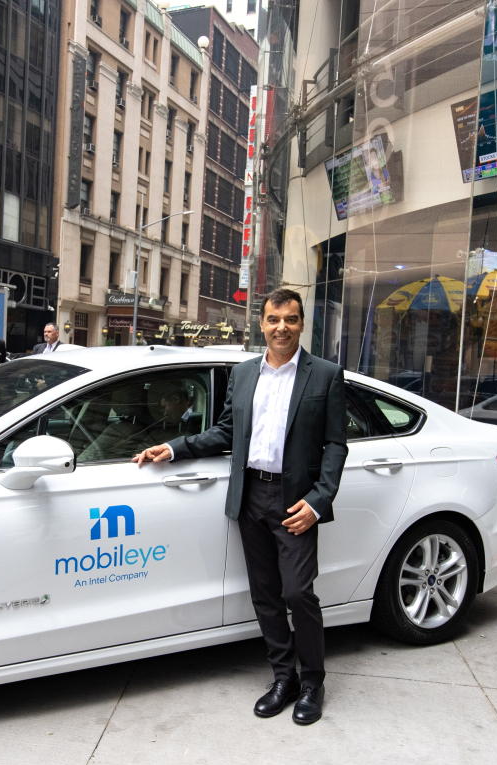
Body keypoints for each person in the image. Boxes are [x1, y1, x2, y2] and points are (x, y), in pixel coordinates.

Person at [134, 288, 347, 726]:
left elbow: (335, 446)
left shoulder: (324, 376)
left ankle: (312, 682)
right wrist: (172, 449)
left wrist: (318, 500)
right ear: (262, 324)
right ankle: (283, 677)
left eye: (290, 319)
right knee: (265, 596)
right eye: (273, 320)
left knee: (297, 593)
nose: (281, 328)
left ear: (302, 323)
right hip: (250, 496)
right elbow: (226, 431)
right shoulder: (245, 374)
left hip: (296, 502)